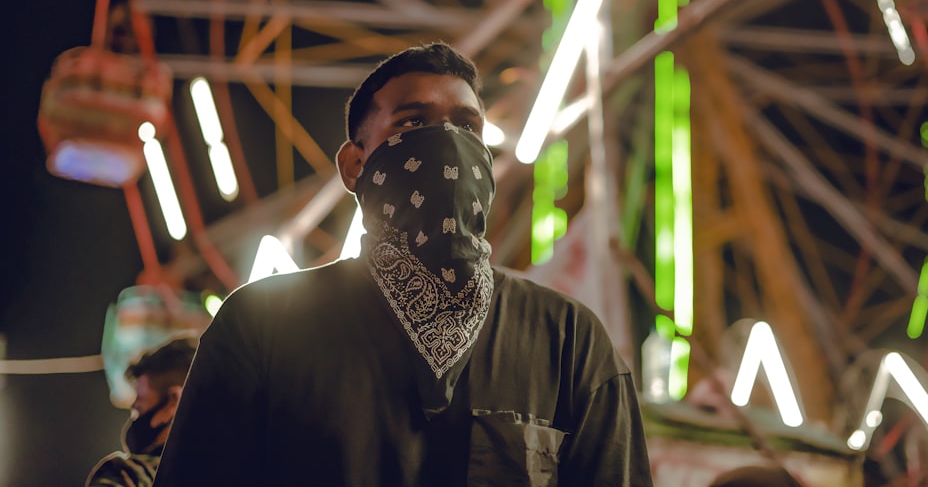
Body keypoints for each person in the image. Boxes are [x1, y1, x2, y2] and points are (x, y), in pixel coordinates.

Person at [154, 42, 653, 486]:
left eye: (466, 126)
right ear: (354, 165)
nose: (449, 144)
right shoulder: (262, 323)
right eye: (413, 123)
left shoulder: (568, 339)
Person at [86, 335, 198, 486]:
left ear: (173, 402)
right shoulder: (231, 472)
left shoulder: (127, 475)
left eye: (139, 407)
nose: (134, 417)